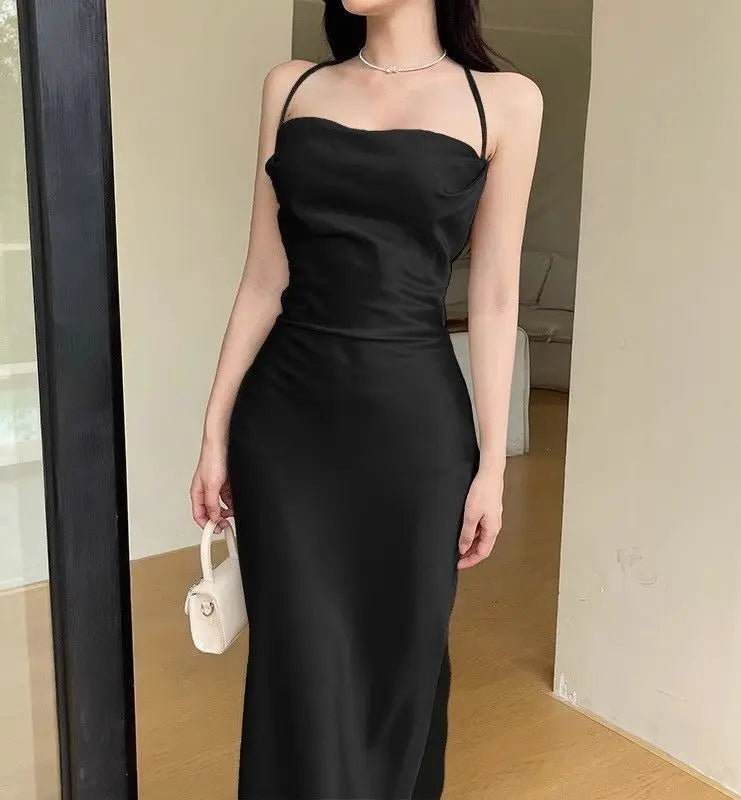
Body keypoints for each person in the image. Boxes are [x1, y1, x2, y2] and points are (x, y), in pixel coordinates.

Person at [190, 0, 542, 796]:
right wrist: (214, 432)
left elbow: (493, 298)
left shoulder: (505, 101)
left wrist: (492, 466)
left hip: (415, 429)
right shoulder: (291, 88)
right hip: (286, 427)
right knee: (297, 663)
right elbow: (263, 278)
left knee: (400, 658)